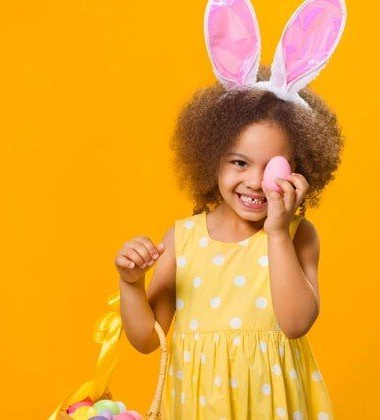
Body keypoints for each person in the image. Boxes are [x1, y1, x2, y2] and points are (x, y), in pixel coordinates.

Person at [115, 0, 347, 417]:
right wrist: (131, 284)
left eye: (273, 167)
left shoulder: (297, 236)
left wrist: (276, 233)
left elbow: (296, 323)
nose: (255, 182)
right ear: (212, 160)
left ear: (300, 169)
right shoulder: (183, 239)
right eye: (239, 163)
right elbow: (147, 340)